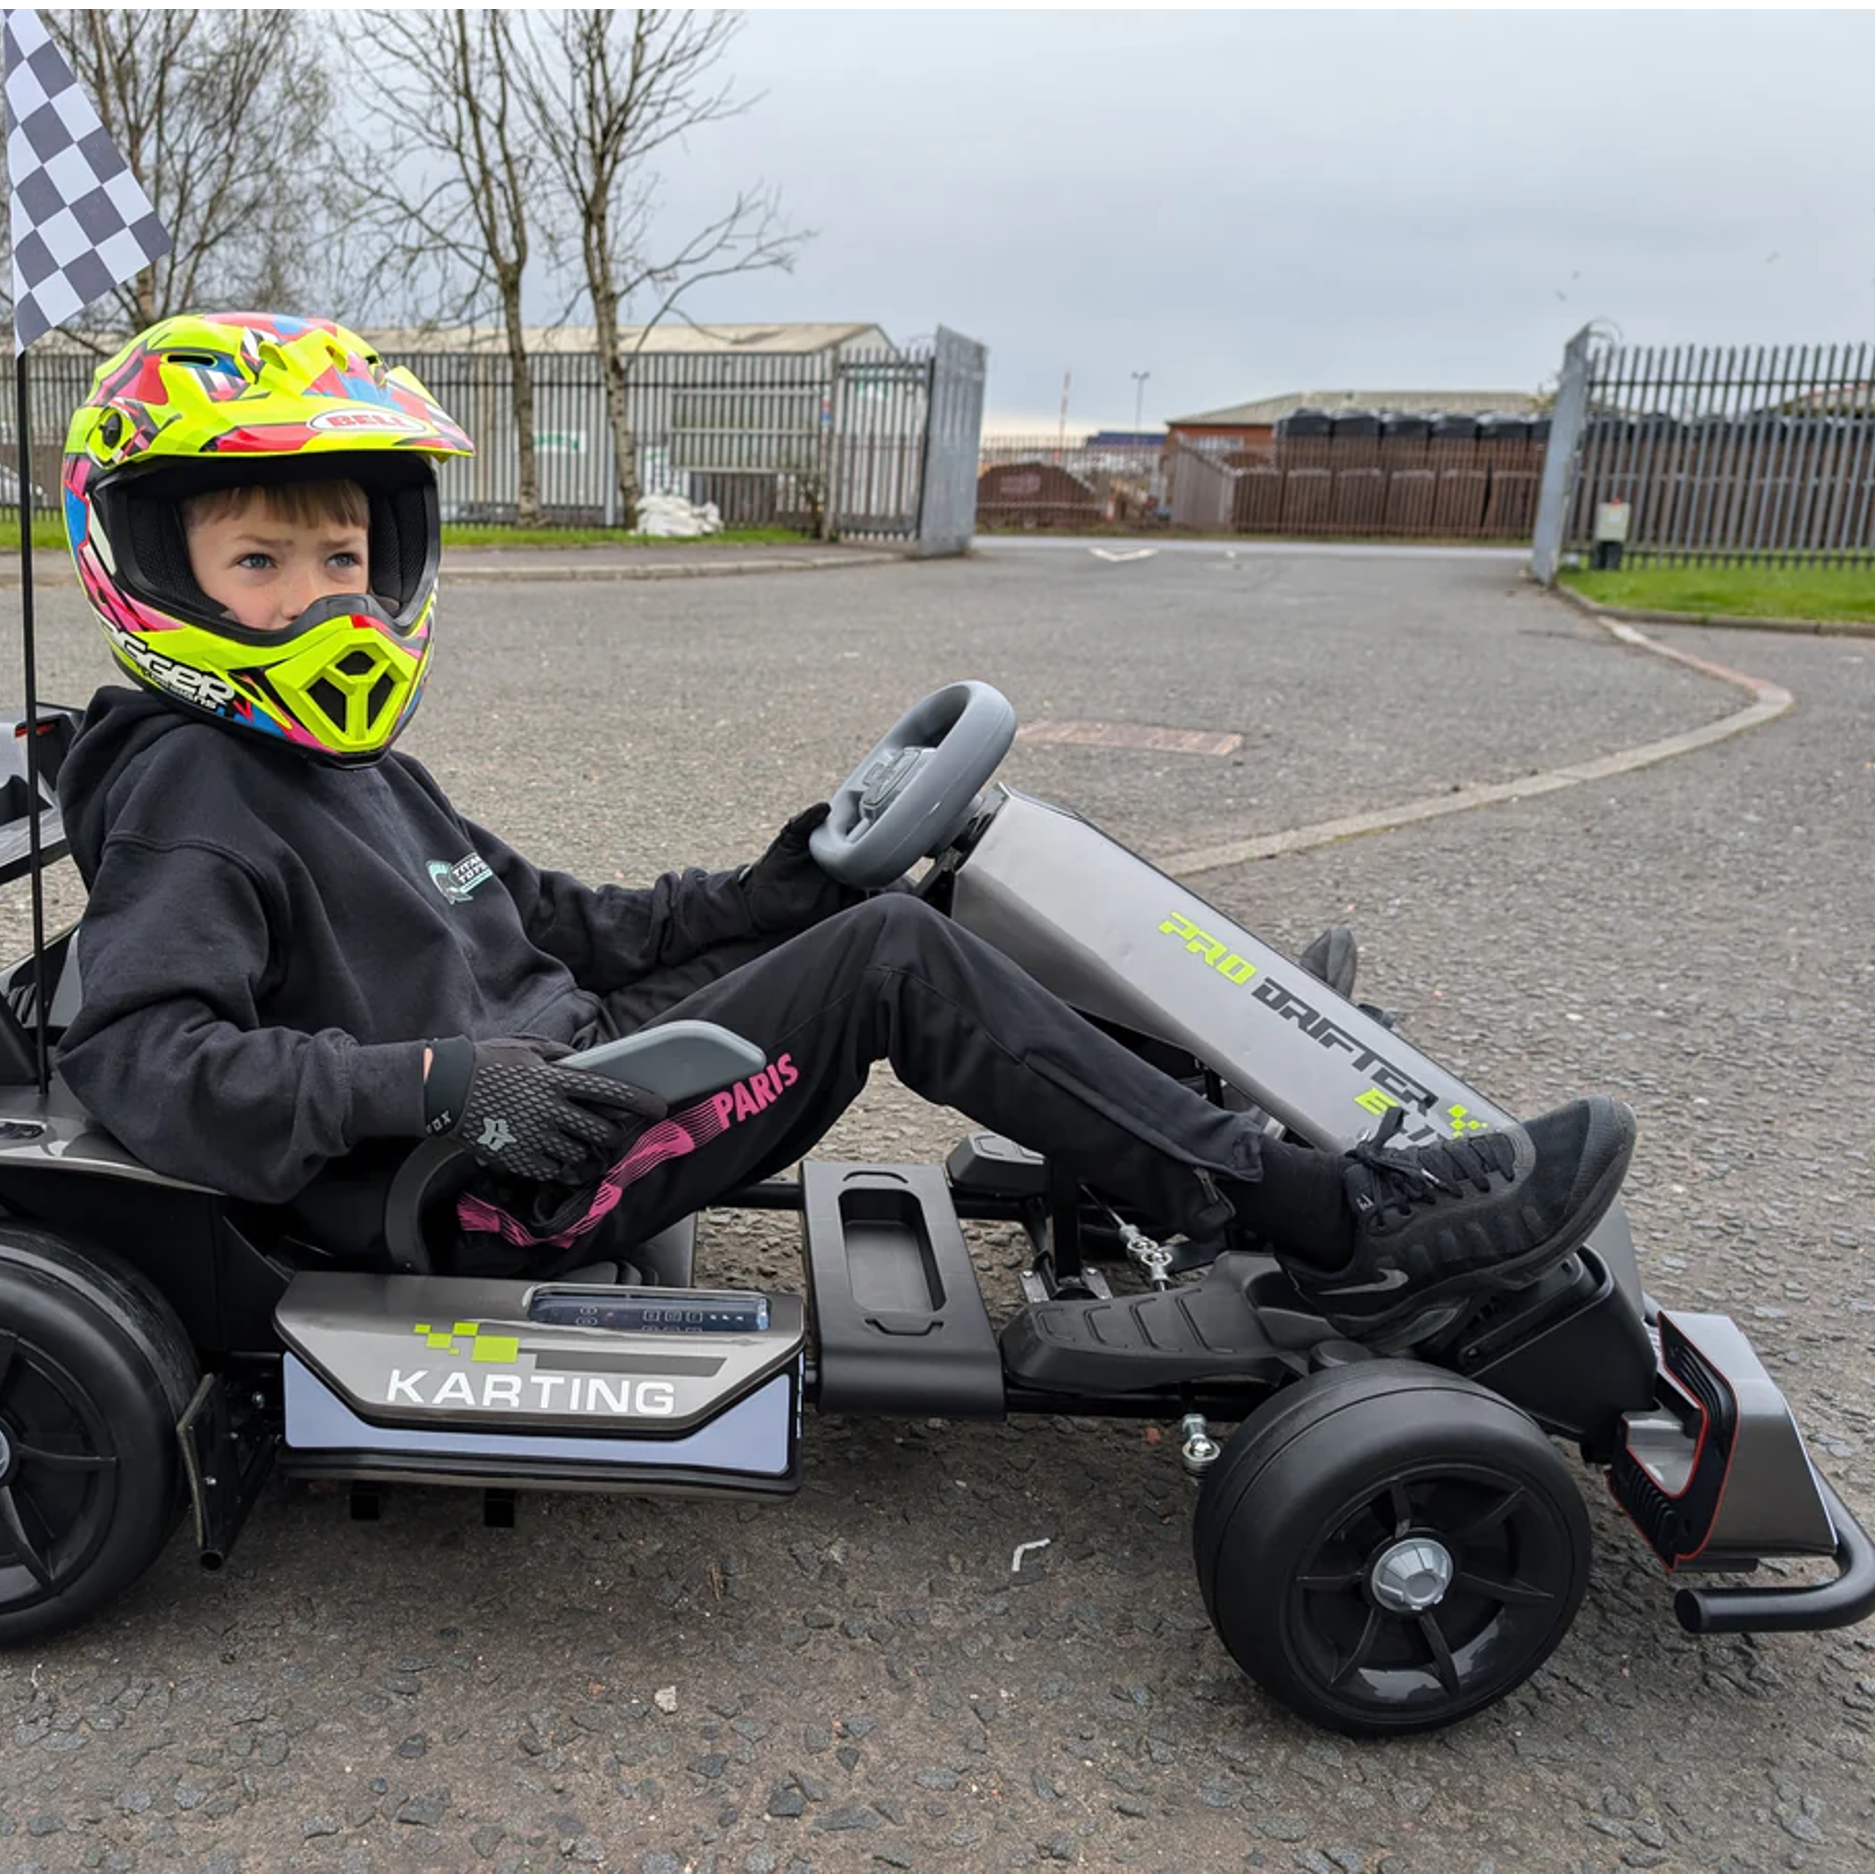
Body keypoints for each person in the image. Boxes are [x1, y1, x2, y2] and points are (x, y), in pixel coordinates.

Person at [53, 312, 1637, 1350]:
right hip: (491, 1174)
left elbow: (564, 922)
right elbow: (137, 1058)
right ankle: (1336, 1214)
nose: (318, 596)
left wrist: (775, 880)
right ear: (165, 577)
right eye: (262, 562)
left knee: (875, 895)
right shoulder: (197, 793)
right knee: (891, 957)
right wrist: (435, 1081)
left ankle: (1199, 1087)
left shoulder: (349, 764)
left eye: (340, 557)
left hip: (565, 1064)